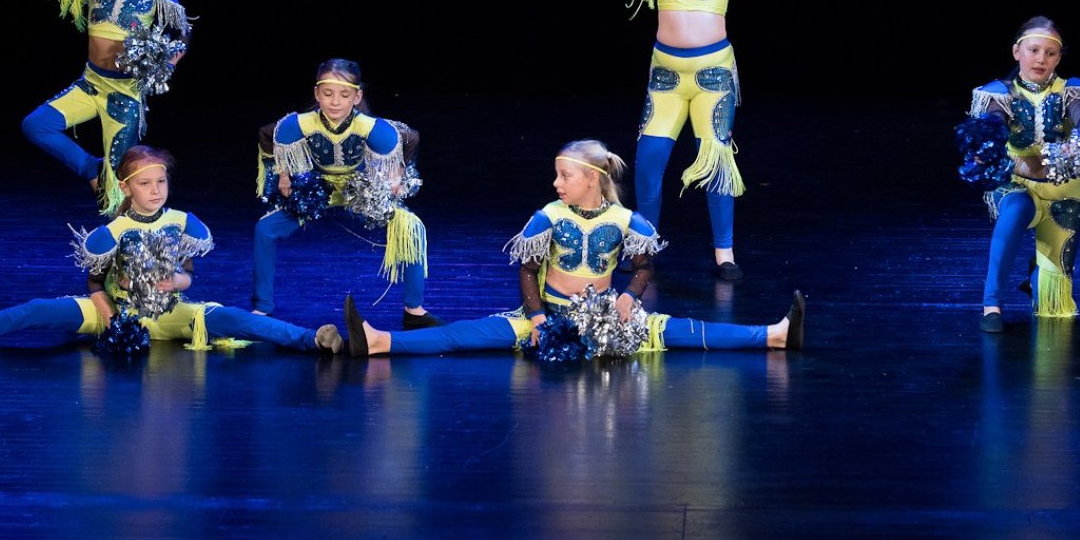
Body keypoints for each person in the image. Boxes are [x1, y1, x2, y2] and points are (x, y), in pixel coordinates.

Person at [341, 139, 805, 355]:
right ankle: (382, 342)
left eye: (565, 176)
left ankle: (775, 335)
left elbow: (644, 268)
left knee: (680, 331)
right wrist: (538, 318)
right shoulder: (549, 216)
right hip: (548, 316)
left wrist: (629, 297)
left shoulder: (627, 220)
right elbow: (527, 270)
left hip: (603, 317)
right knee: (465, 335)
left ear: (592, 181)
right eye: (557, 175)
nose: (556, 183)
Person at [0, 145, 342, 354]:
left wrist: (176, 282)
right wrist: (111, 320)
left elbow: (189, 272)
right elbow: (94, 282)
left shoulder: (181, 221)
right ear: (126, 188)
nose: (155, 191)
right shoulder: (113, 231)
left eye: (161, 182)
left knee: (236, 319)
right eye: (145, 184)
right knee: (36, 309)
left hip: (168, 312)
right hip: (115, 311)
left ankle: (313, 340)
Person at [574, 0, 779, 281]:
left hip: (712, 77)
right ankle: (644, 248)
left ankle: (724, 254)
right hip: (665, 78)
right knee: (648, 164)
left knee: (716, 161)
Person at [17, 0, 191, 214]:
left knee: (116, 192)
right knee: (35, 125)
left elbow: (182, 35)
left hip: (124, 97)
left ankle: (121, 240)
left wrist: (165, 66)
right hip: (90, 85)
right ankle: (91, 168)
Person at [254, 59, 438, 328]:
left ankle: (414, 309)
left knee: (413, 228)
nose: (335, 102)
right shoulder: (302, 124)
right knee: (264, 229)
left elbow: (410, 137)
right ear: (317, 94)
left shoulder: (368, 127)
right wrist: (283, 175)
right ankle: (262, 308)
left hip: (358, 188)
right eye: (328, 94)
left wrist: (398, 173)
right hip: (318, 189)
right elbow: (268, 134)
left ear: (356, 97)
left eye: (344, 95)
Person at [963, 18, 1080, 333]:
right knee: (1017, 209)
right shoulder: (1000, 94)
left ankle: (1037, 279)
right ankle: (992, 304)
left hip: (1063, 189)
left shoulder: (1072, 91)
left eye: (1050, 53)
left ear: (1058, 58)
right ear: (1017, 52)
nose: (1041, 59)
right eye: (1033, 50)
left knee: (1052, 309)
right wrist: (993, 150)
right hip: (1016, 183)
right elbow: (993, 127)